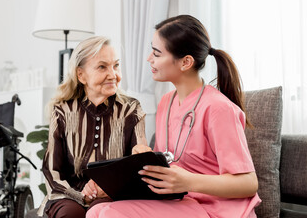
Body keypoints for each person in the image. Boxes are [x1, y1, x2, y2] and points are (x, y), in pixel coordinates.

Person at [86, 15, 261, 218]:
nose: (149, 59)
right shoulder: (167, 102)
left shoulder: (219, 109)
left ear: (186, 62)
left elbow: (249, 183)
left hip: (217, 210)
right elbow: (168, 167)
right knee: (96, 211)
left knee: (110, 215)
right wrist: (129, 172)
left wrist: (189, 181)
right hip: (182, 202)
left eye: (157, 54)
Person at [37, 36, 148, 218]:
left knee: (102, 211)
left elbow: (138, 166)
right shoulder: (63, 111)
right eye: (102, 67)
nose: (113, 75)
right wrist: (80, 196)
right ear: (81, 75)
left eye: (116, 66)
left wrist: (107, 187)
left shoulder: (131, 110)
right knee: (70, 214)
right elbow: (52, 171)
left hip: (114, 193)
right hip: (68, 193)